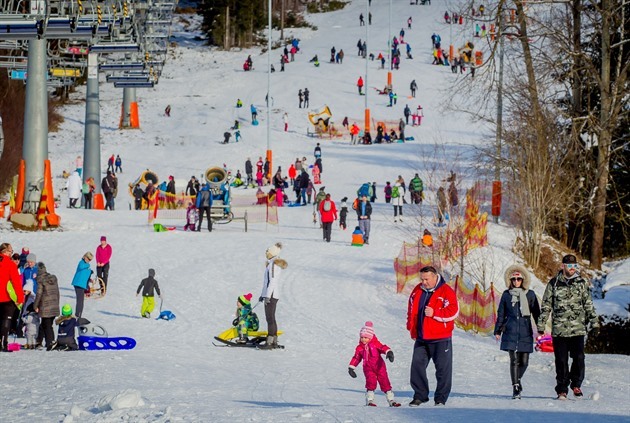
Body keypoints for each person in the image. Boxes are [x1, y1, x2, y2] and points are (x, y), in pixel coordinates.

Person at [537, 254, 599, 400]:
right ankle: (562, 389)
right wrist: (541, 324)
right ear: (562, 266)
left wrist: (594, 323)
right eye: (569, 266)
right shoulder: (553, 284)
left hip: (578, 329)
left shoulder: (582, 283)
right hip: (559, 330)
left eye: (575, 266)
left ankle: (576, 384)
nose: (572, 269)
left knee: (579, 358)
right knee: (561, 361)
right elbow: (546, 305)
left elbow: (588, 304)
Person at [407, 266, 459, 406]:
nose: (424, 282)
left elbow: (454, 311)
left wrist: (435, 313)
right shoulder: (417, 290)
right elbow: (411, 310)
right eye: (422, 279)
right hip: (421, 337)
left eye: (426, 279)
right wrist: (411, 328)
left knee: (442, 370)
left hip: (440, 338)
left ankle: (440, 399)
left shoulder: (446, 290)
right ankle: (420, 395)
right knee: (417, 366)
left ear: (435, 277)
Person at [494, 265, 541, 399]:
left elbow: (537, 313)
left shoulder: (530, 295)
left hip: (525, 332)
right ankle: (515, 387)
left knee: (524, 362)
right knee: (514, 360)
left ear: (523, 280)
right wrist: (498, 330)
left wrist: (540, 329)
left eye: (518, 279)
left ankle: (518, 379)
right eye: (513, 279)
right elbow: (501, 313)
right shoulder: (506, 295)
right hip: (510, 331)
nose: (516, 282)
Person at [348, 321, 401, 407]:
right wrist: (351, 367)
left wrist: (389, 352)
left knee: (385, 382)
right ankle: (369, 400)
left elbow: (382, 347)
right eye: (362, 337)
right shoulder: (359, 348)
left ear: (370, 337)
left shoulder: (375, 344)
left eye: (366, 337)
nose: (363, 339)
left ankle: (391, 400)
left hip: (380, 367)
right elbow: (356, 358)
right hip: (368, 368)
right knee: (370, 383)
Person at [258, 243, 288, 349]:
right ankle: (274, 341)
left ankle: (270, 342)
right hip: (271, 294)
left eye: (268, 252)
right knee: (271, 318)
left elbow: (273, 281)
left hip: (272, 295)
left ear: (272, 253)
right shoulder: (271, 264)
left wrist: (268, 296)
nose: (266, 254)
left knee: (270, 318)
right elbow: (266, 282)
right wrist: (263, 295)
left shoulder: (273, 265)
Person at [0, 243, 24, 352]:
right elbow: (16, 283)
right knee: (6, 321)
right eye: (11, 251)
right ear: (6, 251)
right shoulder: (10, 264)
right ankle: (3, 343)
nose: (11, 253)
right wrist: (20, 298)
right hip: (6, 298)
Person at [34, 261, 59, 350]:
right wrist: (57, 304)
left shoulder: (40, 280)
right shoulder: (53, 278)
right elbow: (57, 293)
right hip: (54, 305)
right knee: (45, 324)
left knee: (47, 325)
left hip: (46, 306)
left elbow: (39, 294)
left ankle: (50, 343)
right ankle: (39, 341)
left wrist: (35, 306)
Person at [71, 252, 93, 319]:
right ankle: (78, 315)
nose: (89, 260)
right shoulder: (82, 263)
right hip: (78, 285)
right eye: (88, 258)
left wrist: (89, 279)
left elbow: (83, 275)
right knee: (80, 301)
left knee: (80, 301)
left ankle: (78, 314)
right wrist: (88, 266)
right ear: (85, 257)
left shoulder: (85, 265)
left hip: (81, 285)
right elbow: (81, 267)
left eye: (90, 260)